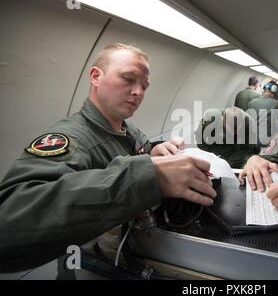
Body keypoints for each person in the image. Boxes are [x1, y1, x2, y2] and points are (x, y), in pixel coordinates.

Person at [0, 43, 216, 272]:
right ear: (95, 76)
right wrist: (144, 177)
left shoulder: (127, 130)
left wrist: (156, 152)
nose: (138, 92)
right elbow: (8, 223)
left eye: (144, 86)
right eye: (128, 79)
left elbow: (136, 153)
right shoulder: (71, 140)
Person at [195, 107, 260, 168]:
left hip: (236, 143)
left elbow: (246, 148)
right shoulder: (211, 117)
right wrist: (209, 155)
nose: (233, 132)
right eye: (231, 129)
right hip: (216, 139)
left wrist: (227, 163)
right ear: (222, 119)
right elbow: (199, 138)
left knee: (254, 150)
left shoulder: (249, 122)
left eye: (236, 129)